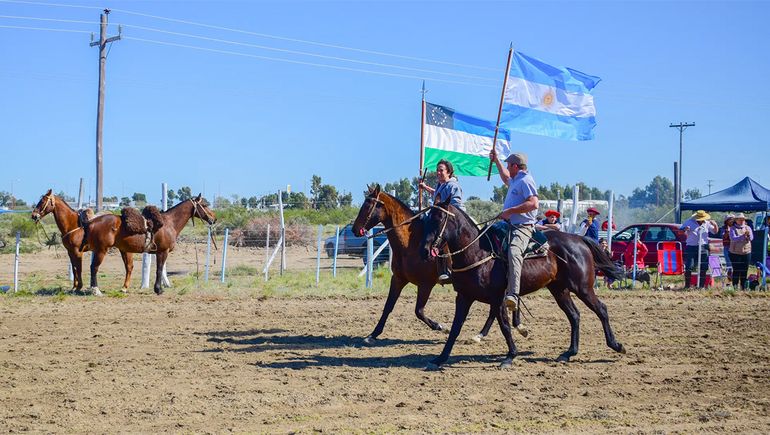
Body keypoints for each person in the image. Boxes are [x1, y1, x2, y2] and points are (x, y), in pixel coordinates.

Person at [490, 149, 538, 325]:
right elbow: (505, 178)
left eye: (509, 165)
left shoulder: (526, 180)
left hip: (522, 227)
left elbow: (533, 203)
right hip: (509, 225)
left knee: (514, 251)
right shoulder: (516, 179)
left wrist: (510, 211)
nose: (507, 168)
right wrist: (496, 161)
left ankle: (513, 295)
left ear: (516, 166)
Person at [419, 159, 464, 284]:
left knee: (441, 237)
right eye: (437, 170)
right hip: (440, 218)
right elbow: (436, 194)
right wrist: (425, 187)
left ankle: (446, 270)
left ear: (448, 172)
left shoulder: (453, 185)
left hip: (453, 220)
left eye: (441, 170)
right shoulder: (441, 185)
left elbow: (455, 205)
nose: (438, 173)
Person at [680, 210, 718, 288]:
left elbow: (715, 232)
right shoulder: (688, 222)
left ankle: (701, 286)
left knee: (703, 266)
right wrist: (685, 229)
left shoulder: (707, 223)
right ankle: (687, 286)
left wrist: (715, 225)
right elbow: (680, 232)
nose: (702, 220)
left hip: (704, 246)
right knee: (689, 266)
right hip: (691, 246)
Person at [729, 213, 754, 289]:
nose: (742, 221)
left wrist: (748, 236)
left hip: (746, 252)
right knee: (736, 270)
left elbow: (752, 238)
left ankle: (743, 287)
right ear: (736, 220)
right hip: (735, 253)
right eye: (740, 219)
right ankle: (735, 286)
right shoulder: (732, 228)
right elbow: (733, 238)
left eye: (743, 219)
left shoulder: (748, 228)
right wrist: (743, 236)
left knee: (744, 270)